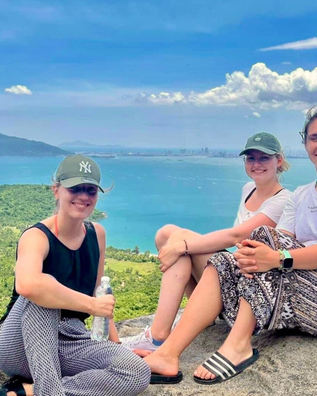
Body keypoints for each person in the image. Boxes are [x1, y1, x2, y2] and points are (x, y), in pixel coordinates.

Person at [143, 107, 317, 385]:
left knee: (264, 242)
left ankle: (237, 346)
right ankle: (167, 353)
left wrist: (277, 257)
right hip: (297, 296)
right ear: (305, 144)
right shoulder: (302, 195)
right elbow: (273, 242)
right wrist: (259, 257)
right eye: (315, 138)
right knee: (228, 258)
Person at [0, 154, 150, 396]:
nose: (84, 196)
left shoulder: (97, 234)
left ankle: (28, 392)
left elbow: (99, 296)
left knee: (136, 373)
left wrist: (116, 347)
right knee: (44, 291)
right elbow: (29, 286)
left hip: (68, 339)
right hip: (19, 342)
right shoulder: (36, 236)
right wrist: (92, 305)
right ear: (56, 190)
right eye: (75, 188)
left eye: (91, 190)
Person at [121, 133, 292, 364]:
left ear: (278, 161)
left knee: (179, 240)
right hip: (227, 275)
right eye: (251, 158)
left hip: (247, 287)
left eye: (264, 158)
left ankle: (158, 335)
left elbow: (236, 236)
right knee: (165, 233)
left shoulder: (283, 200)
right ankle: (199, 311)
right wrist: (179, 246)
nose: (256, 164)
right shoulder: (248, 189)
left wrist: (182, 245)